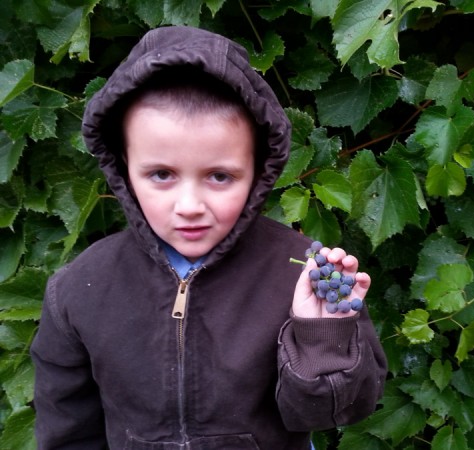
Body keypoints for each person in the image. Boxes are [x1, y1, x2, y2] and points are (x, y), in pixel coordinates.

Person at [30, 26, 388, 450]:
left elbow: (334, 414)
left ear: (259, 169)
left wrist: (322, 337)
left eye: (220, 176)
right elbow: (68, 432)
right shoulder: (79, 289)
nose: (189, 205)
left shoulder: (305, 275)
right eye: (161, 175)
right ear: (124, 167)